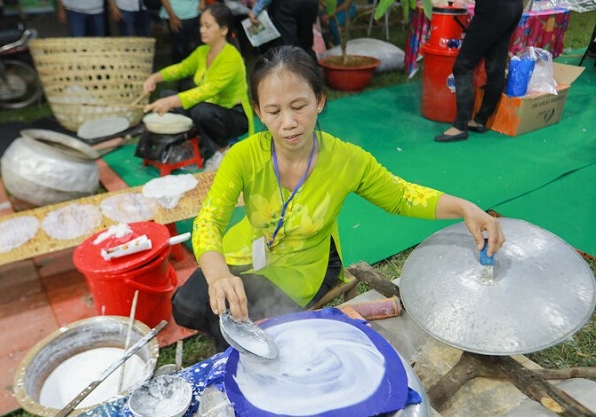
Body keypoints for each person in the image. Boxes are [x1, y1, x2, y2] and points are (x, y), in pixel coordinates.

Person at [171, 45, 506, 351]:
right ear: (258, 111)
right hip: (244, 250)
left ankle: (235, 355)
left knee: (238, 322)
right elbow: (209, 220)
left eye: (299, 106)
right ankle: (232, 343)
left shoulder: (347, 160)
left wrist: (464, 208)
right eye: (273, 112)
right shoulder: (243, 156)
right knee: (186, 306)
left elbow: (402, 196)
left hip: (300, 268)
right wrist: (217, 275)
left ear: (320, 99)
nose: (288, 123)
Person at [143, 2, 253, 171]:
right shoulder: (202, 52)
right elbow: (181, 68)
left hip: (234, 116)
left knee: (199, 110)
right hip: (209, 107)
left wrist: (172, 102)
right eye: (201, 25)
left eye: (208, 26)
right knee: (167, 94)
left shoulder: (231, 57)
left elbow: (207, 90)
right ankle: (200, 140)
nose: (202, 30)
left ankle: (223, 150)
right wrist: (154, 78)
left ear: (223, 30)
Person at [435, 0, 523, 142]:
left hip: (493, 8)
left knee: (463, 66)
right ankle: (480, 120)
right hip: (514, 7)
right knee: (495, 65)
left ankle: (460, 126)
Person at [248, 0, 319, 60]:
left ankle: (291, 73)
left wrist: (256, 9)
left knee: (288, 47)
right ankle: (310, 72)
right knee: (305, 43)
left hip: (287, 4)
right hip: (309, 3)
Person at [159, 0, 205, 64]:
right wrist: (172, 16)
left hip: (196, 11)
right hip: (177, 15)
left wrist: (202, 2)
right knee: (180, 47)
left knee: (200, 43)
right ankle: (178, 69)